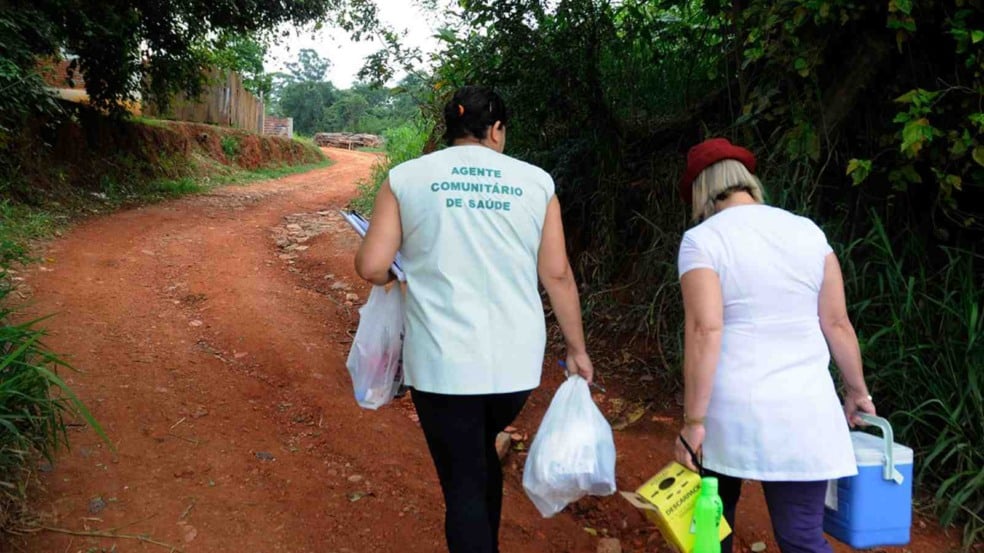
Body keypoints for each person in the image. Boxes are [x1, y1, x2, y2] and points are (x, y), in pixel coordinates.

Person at [354, 85, 594, 553]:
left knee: (463, 482)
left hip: (443, 365)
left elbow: (371, 266)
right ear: (496, 129)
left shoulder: (406, 177)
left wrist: (398, 273)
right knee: (478, 454)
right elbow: (558, 274)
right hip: (516, 366)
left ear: (451, 128)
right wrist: (577, 350)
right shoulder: (537, 182)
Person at [672, 138, 876, 553]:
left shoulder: (702, 240)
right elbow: (836, 322)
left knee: (710, 528)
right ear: (749, 182)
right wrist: (858, 392)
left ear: (700, 190)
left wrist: (693, 421)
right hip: (804, 410)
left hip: (729, 410)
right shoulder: (809, 233)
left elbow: (705, 330)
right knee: (801, 536)